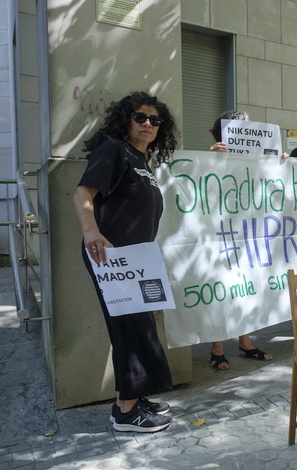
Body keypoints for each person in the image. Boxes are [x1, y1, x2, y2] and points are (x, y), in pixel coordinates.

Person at [73, 91, 177, 433]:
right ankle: (126, 413)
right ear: (126, 120)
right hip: (112, 257)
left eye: (155, 120)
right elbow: (83, 193)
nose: (148, 124)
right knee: (130, 328)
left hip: (136, 260)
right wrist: (90, 232)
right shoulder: (114, 150)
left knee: (138, 327)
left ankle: (133, 396)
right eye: (140, 117)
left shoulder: (140, 160)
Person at [207, 110, 272, 369]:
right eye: (235, 127)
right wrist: (210, 159)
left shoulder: (258, 157)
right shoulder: (213, 154)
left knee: (246, 287)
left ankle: (245, 342)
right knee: (220, 289)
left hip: (249, 233)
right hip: (218, 234)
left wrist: (286, 161)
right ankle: (217, 347)